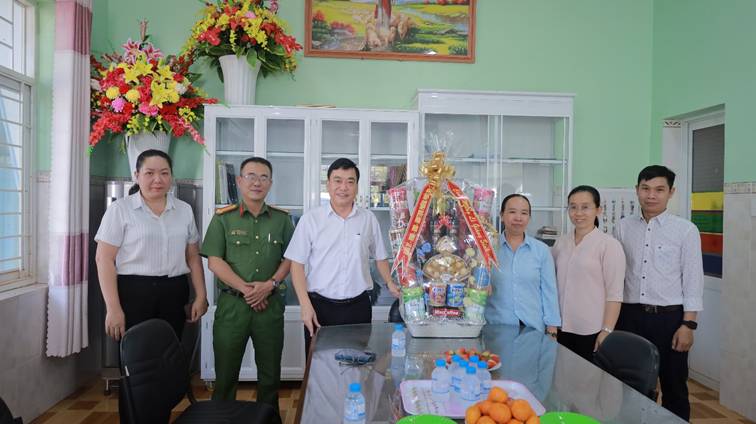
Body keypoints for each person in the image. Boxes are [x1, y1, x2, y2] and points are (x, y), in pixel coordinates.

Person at [94, 149, 207, 422]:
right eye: (150, 173)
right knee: (135, 368)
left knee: (165, 364)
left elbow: (193, 256)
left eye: (164, 173)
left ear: (171, 177)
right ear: (137, 175)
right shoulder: (121, 210)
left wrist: (201, 295)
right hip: (134, 293)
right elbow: (104, 259)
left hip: (173, 292)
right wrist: (113, 308)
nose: (158, 179)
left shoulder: (183, 210)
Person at [200, 157, 294, 414]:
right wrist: (248, 290)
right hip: (233, 307)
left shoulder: (282, 220)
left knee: (270, 377)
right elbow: (215, 262)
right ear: (240, 181)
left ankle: (269, 419)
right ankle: (222, 419)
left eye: (263, 177)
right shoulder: (223, 219)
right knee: (225, 376)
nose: (257, 182)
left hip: (269, 307)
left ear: (270, 183)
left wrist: (269, 285)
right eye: (251, 176)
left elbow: (291, 259)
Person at [614, 165, 703, 421]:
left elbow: (693, 280)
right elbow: (616, 273)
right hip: (629, 317)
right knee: (628, 386)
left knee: (674, 386)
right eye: (645, 188)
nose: (651, 195)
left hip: (669, 320)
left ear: (671, 192)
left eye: (659, 189)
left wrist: (688, 325)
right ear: (637, 190)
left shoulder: (686, 230)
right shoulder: (623, 227)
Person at [284, 158, 400, 353]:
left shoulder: (368, 219)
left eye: (350, 181)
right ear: (328, 185)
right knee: (317, 365)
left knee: (357, 363)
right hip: (319, 306)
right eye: (337, 181)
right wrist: (305, 305)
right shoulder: (311, 220)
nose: (343, 187)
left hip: (358, 307)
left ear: (357, 186)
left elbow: (380, 257)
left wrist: (390, 282)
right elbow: (296, 264)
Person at [552, 185, 625, 362]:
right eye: (573, 207)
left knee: (587, 378)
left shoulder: (609, 245)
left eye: (585, 207)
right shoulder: (561, 243)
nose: (578, 213)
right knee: (561, 376)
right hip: (560, 327)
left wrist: (606, 330)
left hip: (591, 330)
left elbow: (615, 294)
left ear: (598, 210)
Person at [485, 194, 561, 336]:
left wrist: (552, 328)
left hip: (533, 328)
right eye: (512, 212)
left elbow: (549, 291)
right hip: (496, 328)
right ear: (502, 215)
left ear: (529, 217)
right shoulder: (488, 249)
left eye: (524, 213)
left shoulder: (541, 250)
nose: (518, 218)